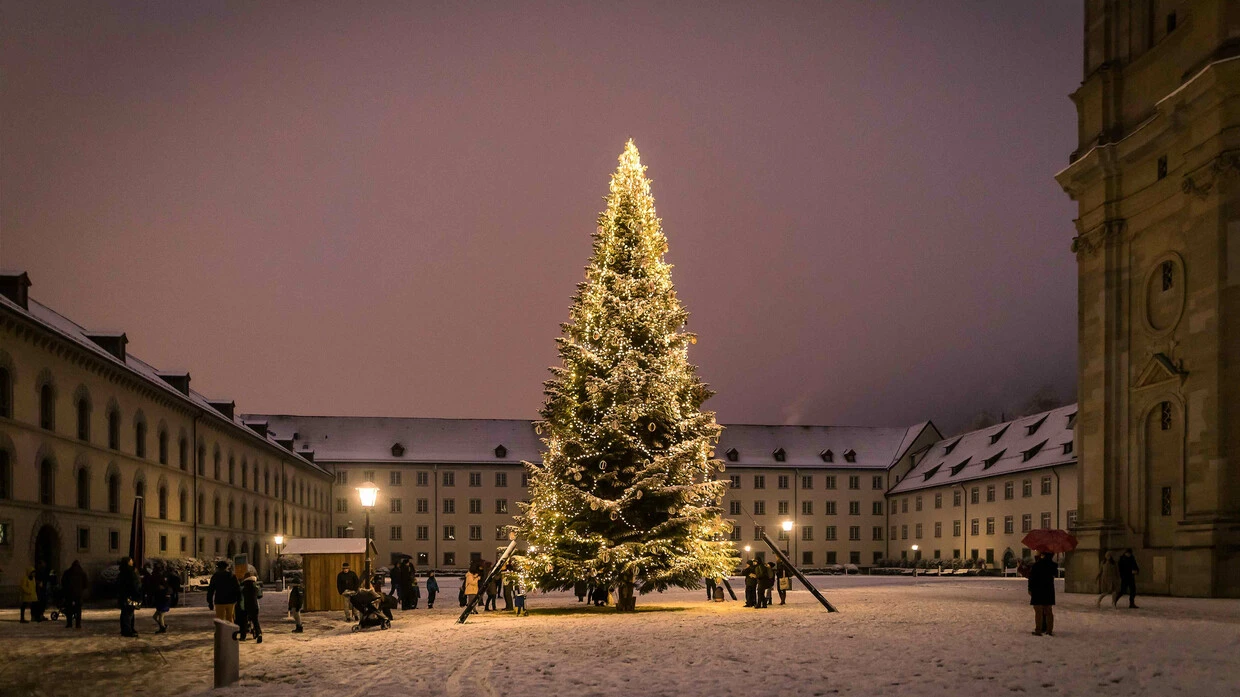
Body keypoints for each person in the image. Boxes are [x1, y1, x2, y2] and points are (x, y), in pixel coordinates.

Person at [1025, 551, 1058, 636]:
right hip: (1048, 589)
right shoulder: (1053, 565)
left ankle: (1038, 630)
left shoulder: (1037, 565)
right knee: (1048, 611)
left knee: (1038, 611)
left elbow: (1032, 578)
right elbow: (1055, 574)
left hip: (1037, 589)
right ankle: (1049, 630)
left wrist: (1030, 588)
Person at [116, 556, 142, 637]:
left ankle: (127, 629)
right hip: (129, 596)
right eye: (131, 560)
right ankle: (127, 630)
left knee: (126, 612)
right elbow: (134, 584)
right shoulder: (130, 572)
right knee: (128, 613)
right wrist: (137, 593)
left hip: (124, 595)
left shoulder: (122, 572)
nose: (132, 561)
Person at [60, 560, 89, 629]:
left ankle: (69, 623)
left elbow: (63, 582)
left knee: (69, 609)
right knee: (78, 609)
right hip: (78, 594)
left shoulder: (67, 573)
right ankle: (78, 624)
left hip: (69, 593)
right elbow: (85, 584)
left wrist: (65, 590)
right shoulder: (82, 573)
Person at [237, 572, 263, 643]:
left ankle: (243, 636)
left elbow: (240, 597)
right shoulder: (256, 585)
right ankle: (259, 634)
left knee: (244, 622)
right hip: (255, 605)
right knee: (255, 621)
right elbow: (260, 595)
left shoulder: (242, 587)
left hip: (245, 605)